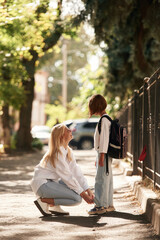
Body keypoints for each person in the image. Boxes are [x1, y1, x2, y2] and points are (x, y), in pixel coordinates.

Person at [30, 124, 94, 216]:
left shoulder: (68, 151)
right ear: (61, 136)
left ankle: (54, 205)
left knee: (77, 187)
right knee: (77, 198)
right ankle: (44, 201)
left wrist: (88, 190)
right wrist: (83, 195)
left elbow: (76, 172)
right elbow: (67, 177)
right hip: (43, 185)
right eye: (67, 130)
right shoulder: (57, 153)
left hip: (52, 182)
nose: (70, 131)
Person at [88, 94, 115, 215]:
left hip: (103, 152)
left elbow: (104, 139)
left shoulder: (103, 120)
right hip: (104, 153)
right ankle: (108, 204)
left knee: (100, 179)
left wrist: (101, 155)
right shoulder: (107, 118)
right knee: (107, 178)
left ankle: (100, 205)